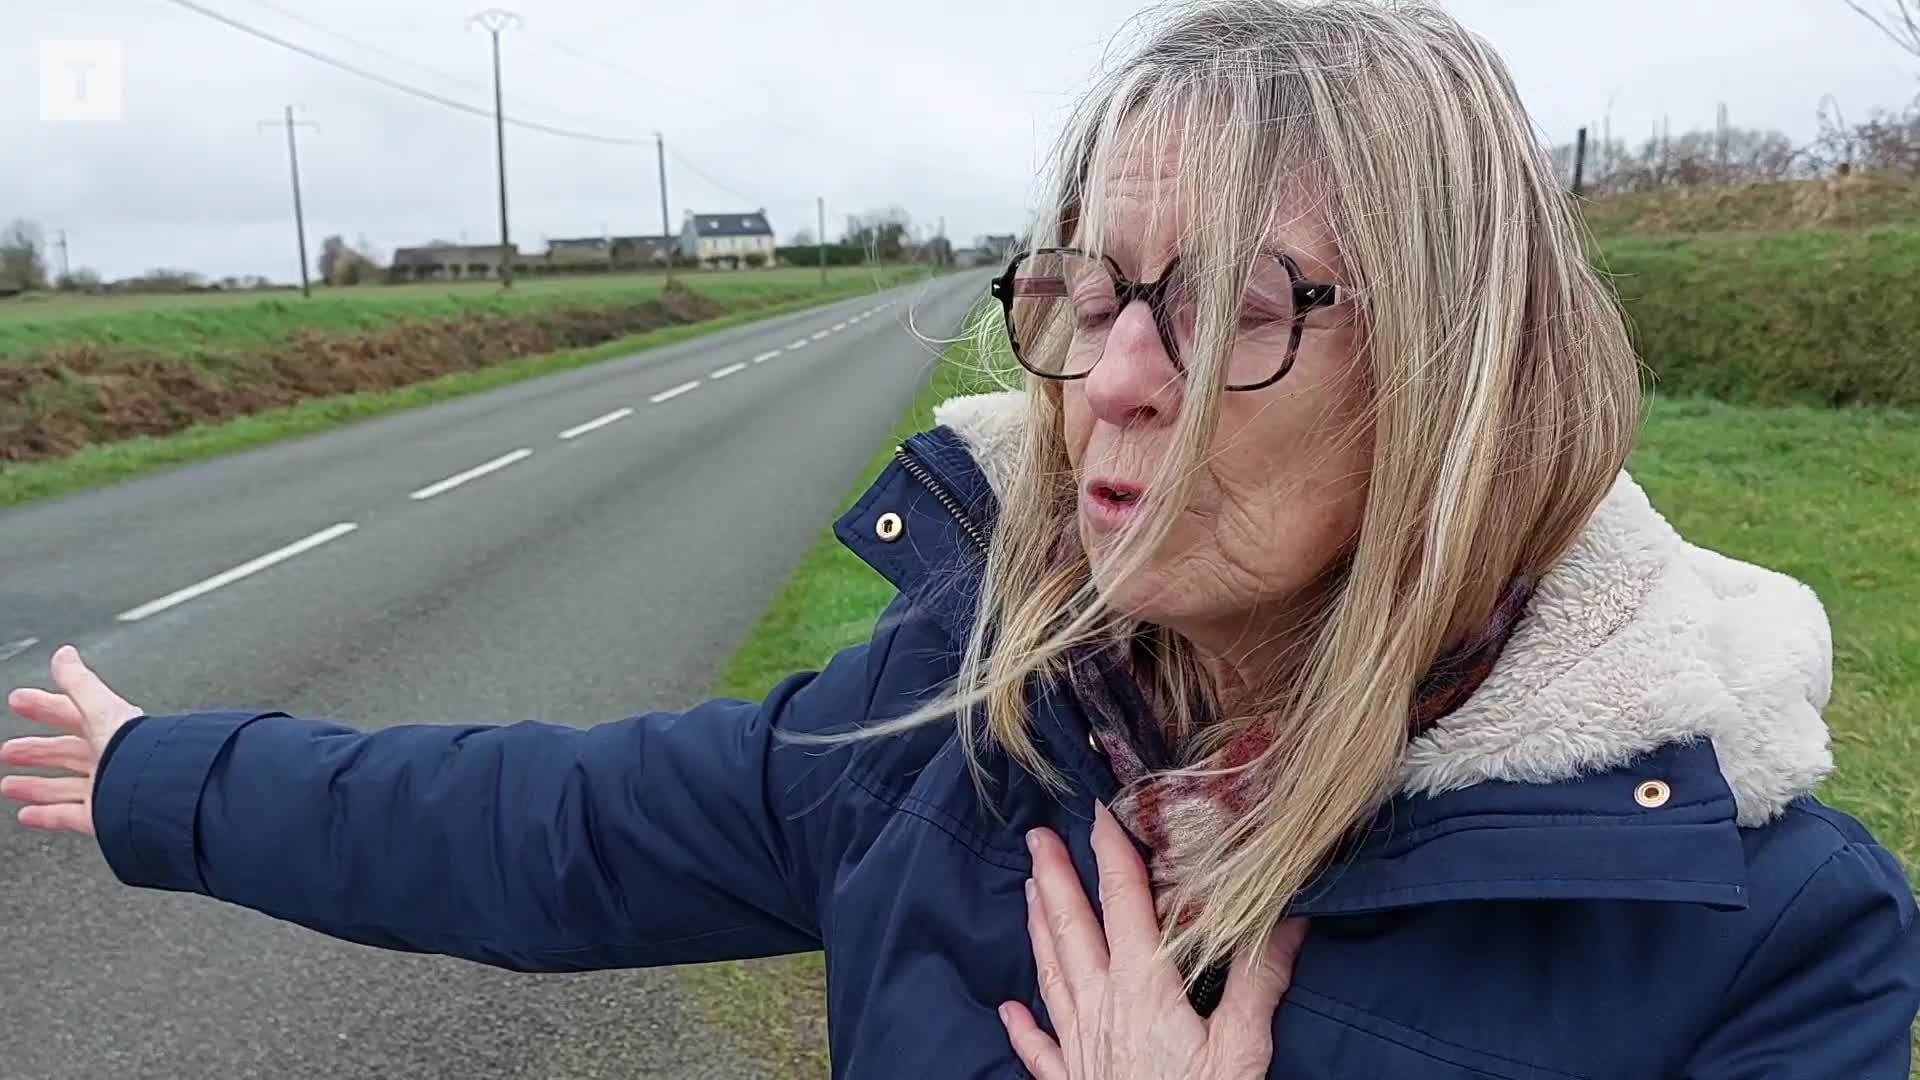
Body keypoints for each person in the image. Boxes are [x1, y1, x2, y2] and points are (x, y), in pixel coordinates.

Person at [8, 2, 1918, 1077]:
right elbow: (557, 827)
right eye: (1089, 293)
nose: (1116, 379)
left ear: (1468, 370)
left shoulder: (1765, 941)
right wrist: (177, 780)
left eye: (1236, 303)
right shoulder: (964, 715)